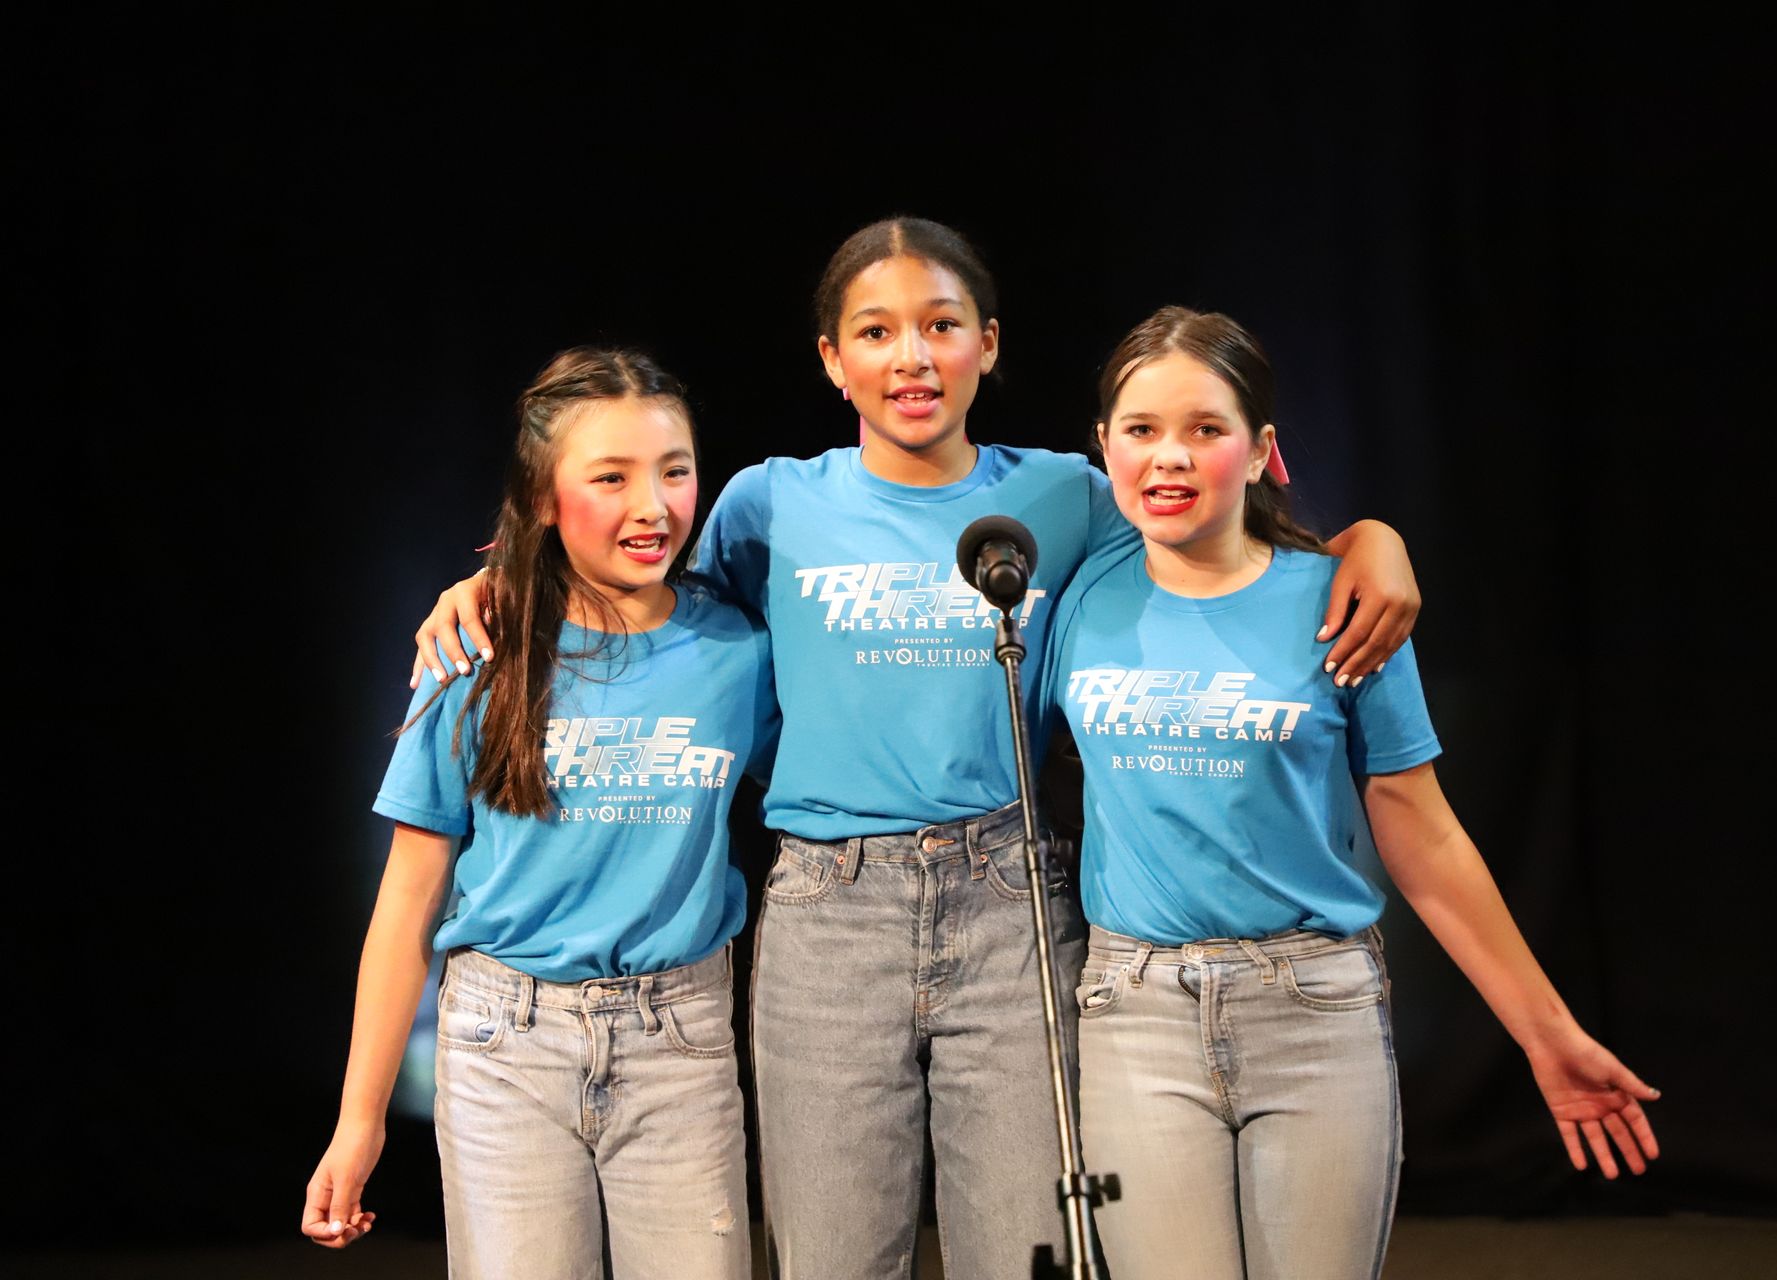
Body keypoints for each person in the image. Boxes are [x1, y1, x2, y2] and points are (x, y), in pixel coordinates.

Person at [410, 220, 1423, 1280]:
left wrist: (1369, 541)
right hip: (829, 914)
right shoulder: (767, 504)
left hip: (1012, 900)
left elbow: (1221, 550)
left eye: (941, 325)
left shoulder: (1069, 497)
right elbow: (647, 608)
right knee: (833, 1257)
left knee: (1029, 1253)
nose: (912, 357)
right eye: (876, 331)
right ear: (830, 358)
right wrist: (495, 582)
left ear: (988, 342)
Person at [1043, 306, 1660, 1280]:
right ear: (1105, 445)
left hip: (1313, 1011)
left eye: (1206, 428)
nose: (1170, 456)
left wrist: (1548, 1037)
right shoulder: (1078, 594)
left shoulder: (1342, 601)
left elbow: (1425, 833)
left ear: (1261, 451)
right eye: (1142, 429)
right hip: (1136, 1012)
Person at [303, 347, 778, 1280]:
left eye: (675, 471)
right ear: (544, 498)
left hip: (679, 1044)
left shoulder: (739, 649)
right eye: (611, 477)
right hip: (504, 1048)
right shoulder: (477, 650)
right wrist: (359, 1122)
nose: (653, 505)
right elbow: (407, 902)